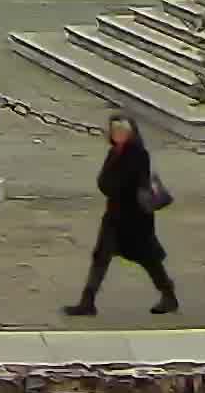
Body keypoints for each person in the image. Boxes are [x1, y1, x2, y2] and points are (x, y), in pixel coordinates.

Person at [66, 115, 177, 316]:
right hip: (114, 216)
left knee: (148, 259)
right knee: (101, 256)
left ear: (131, 132)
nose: (118, 134)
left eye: (122, 130)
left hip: (135, 220)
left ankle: (168, 294)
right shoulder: (114, 152)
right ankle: (87, 301)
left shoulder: (139, 155)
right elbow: (105, 182)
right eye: (115, 130)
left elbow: (123, 184)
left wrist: (111, 185)